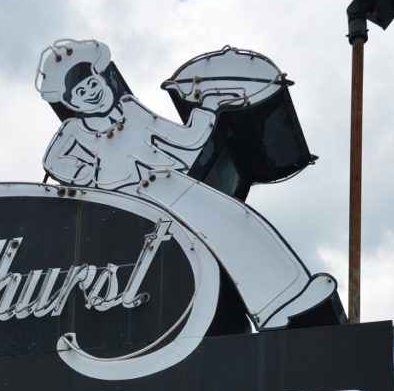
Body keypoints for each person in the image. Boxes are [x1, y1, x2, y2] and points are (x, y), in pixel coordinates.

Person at [36, 39, 343, 332]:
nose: (90, 92)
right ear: (69, 102)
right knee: (196, 255)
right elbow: (53, 162)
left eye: (92, 83)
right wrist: (93, 176)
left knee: (235, 220)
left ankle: (290, 292)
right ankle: (272, 306)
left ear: (103, 81)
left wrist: (208, 107)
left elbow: (186, 143)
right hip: (130, 205)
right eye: (79, 92)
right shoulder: (73, 132)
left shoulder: (130, 109)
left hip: (169, 184)